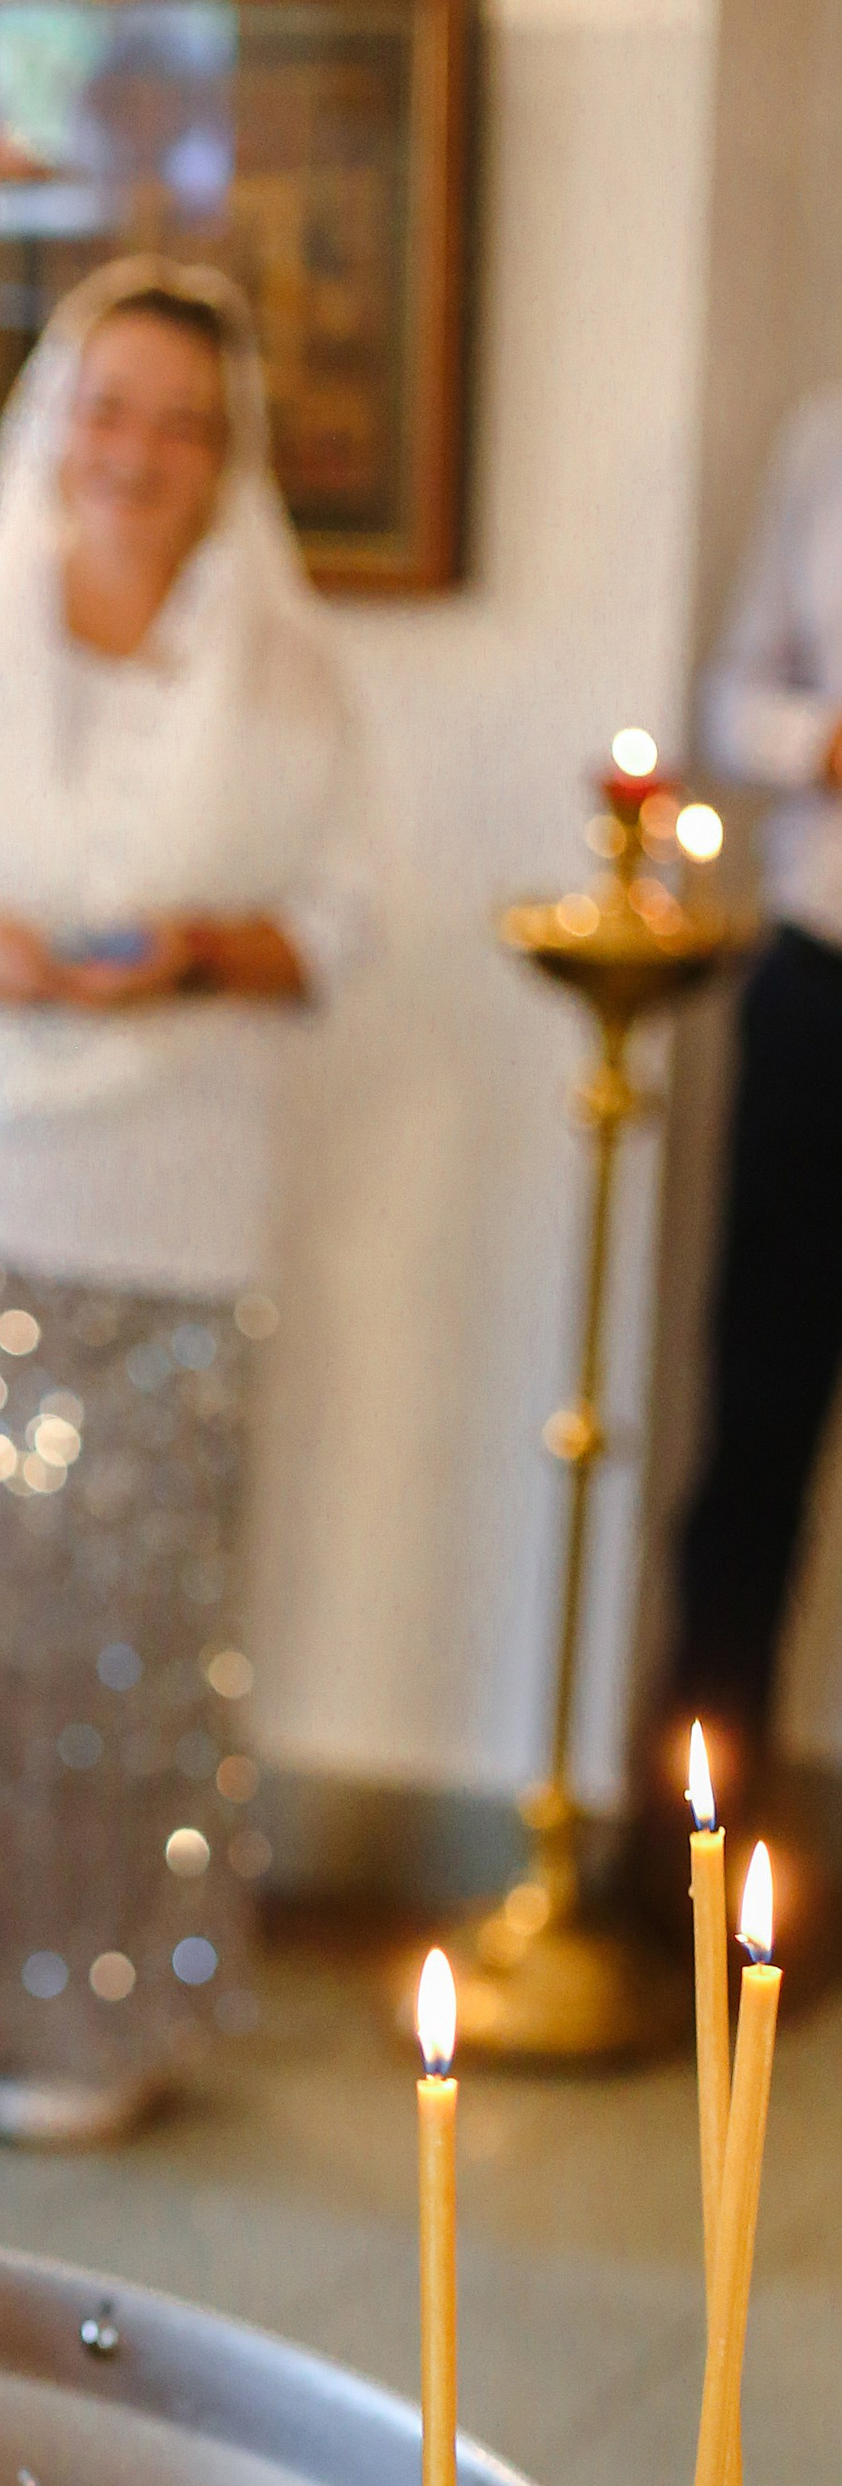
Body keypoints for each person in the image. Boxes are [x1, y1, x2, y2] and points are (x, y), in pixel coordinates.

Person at [0, 256, 373, 2147]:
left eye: (181, 424)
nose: (137, 452)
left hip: (173, 1198)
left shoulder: (294, 668)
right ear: (54, 415)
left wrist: (196, 945)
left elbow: (343, 928)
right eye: (107, 409)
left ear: (228, 454)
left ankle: (103, 2013)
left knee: (128, 1620)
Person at [659, 387, 842, 1843]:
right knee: (760, 1422)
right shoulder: (826, 437)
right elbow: (737, 701)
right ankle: (704, 1855)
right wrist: (820, 744)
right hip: (824, 979)